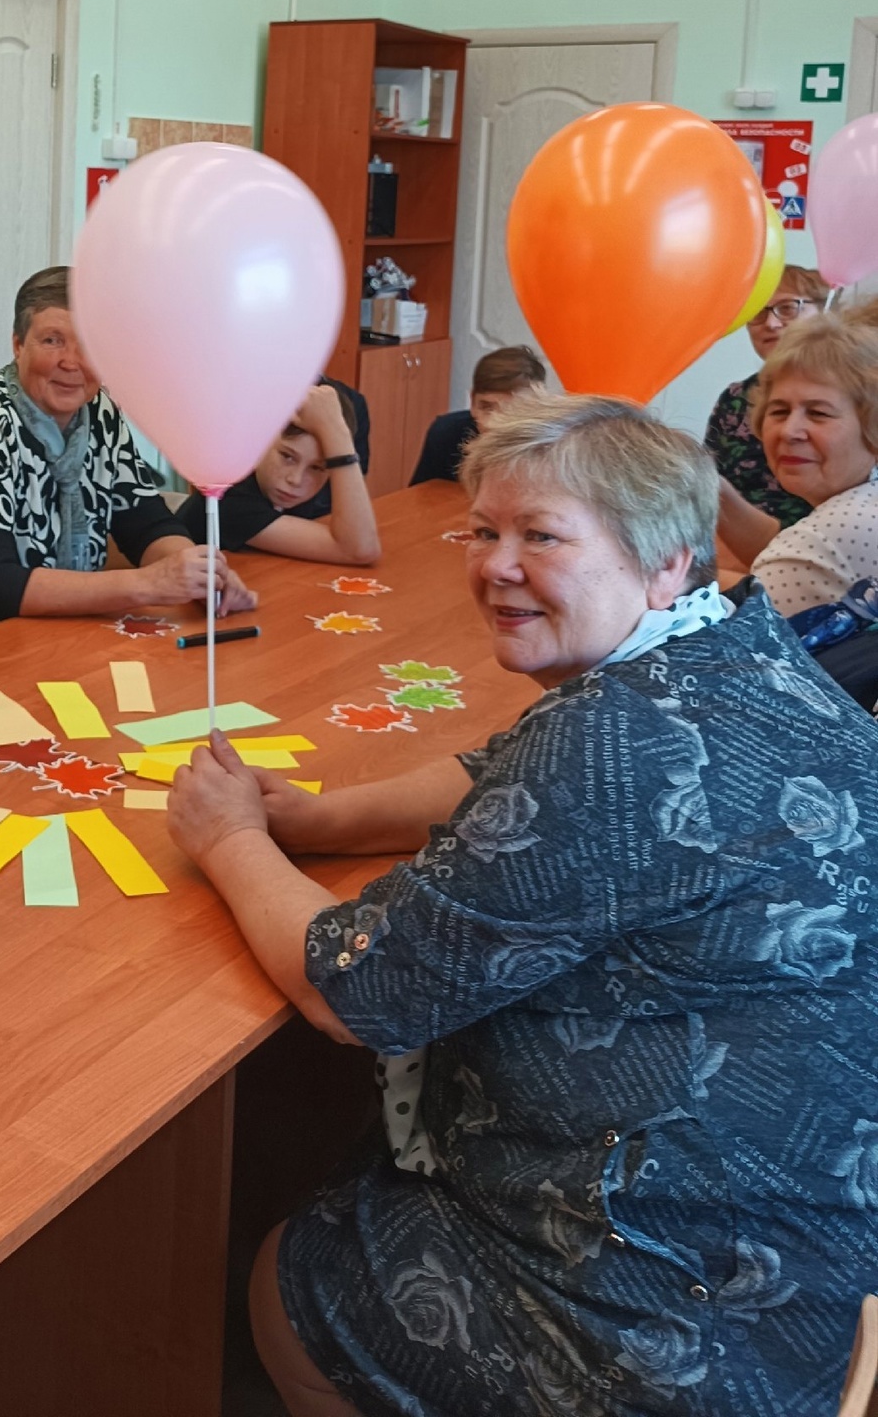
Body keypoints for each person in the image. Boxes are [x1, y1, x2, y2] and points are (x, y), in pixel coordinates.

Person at [169, 392, 878, 1416]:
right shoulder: (740, 646)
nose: (494, 565)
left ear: (668, 559)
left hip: (688, 1319)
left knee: (289, 1277)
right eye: (485, 530)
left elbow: (353, 985)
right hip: (816, 1247)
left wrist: (227, 839)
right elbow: (499, 769)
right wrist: (314, 821)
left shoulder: (612, 748)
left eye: (540, 536)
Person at [0, 265, 257, 638]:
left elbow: (145, 523)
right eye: (52, 340)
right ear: (18, 344)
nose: (72, 362)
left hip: (55, 636)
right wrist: (149, 584)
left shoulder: (100, 413)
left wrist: (195, 573)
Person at [714, 312, 878, 616]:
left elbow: (742, 641)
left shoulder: (834, 532)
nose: (790, 431)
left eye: (818, 413)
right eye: (778, 411)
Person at [177, 382, 380, 565]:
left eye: (317, 467)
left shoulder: (284, 487)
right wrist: (337, 435)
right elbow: (360, 549)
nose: (295, 479)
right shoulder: (229, 494)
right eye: (287, 456)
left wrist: (336, 436)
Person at [706, 262, 829, 528]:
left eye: (787, 308)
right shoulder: (734, 399)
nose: (771, 323)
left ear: (823, 312)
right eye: (758, 313)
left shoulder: (853, 394)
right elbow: (709, 492)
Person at [410, 343, 545, 485]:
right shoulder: (446, 434)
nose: (494, 423)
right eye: (487, 407)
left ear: (536, 407)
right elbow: (421, 496)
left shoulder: (552, 449)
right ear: (473, 402)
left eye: (513, 411)